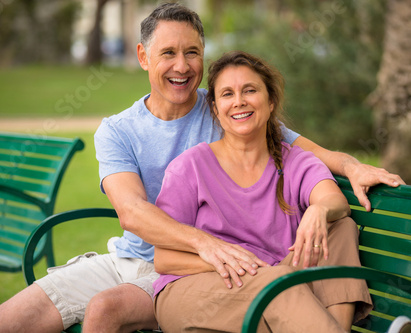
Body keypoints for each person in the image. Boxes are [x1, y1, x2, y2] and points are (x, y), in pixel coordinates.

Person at [0, 3, 403, 333]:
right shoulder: (118, 131)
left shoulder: (224, 107)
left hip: (185, 269)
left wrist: (349, 164)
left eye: (192, 53)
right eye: (168, 54)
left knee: (107, 311)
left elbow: (297, 149)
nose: (182, 66)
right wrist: (206, 244)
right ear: (143, 57)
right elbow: (133, 213)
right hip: (138, 256)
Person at [152, 50, 373, 332]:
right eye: (227, 94)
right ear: (216, 110)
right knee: (274, 284)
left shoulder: (295, 161)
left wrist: (319, 209)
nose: (239, 101)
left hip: (277, 283)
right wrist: (233, 263)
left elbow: (333, 200)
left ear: (270, 103)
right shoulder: (190, 168)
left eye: (250, 90)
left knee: (339, 227)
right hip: (196, 290)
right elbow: (164, 258)